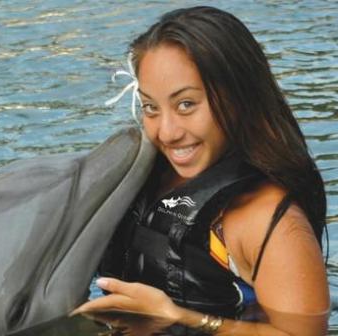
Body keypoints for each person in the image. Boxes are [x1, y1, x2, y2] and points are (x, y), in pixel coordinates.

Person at [73, 6, 330, 335]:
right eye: (151, 107)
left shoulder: (267, 221)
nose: (167, 132)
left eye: (186, 105)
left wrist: (180, 318)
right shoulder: (141, 180)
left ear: (239, 98)